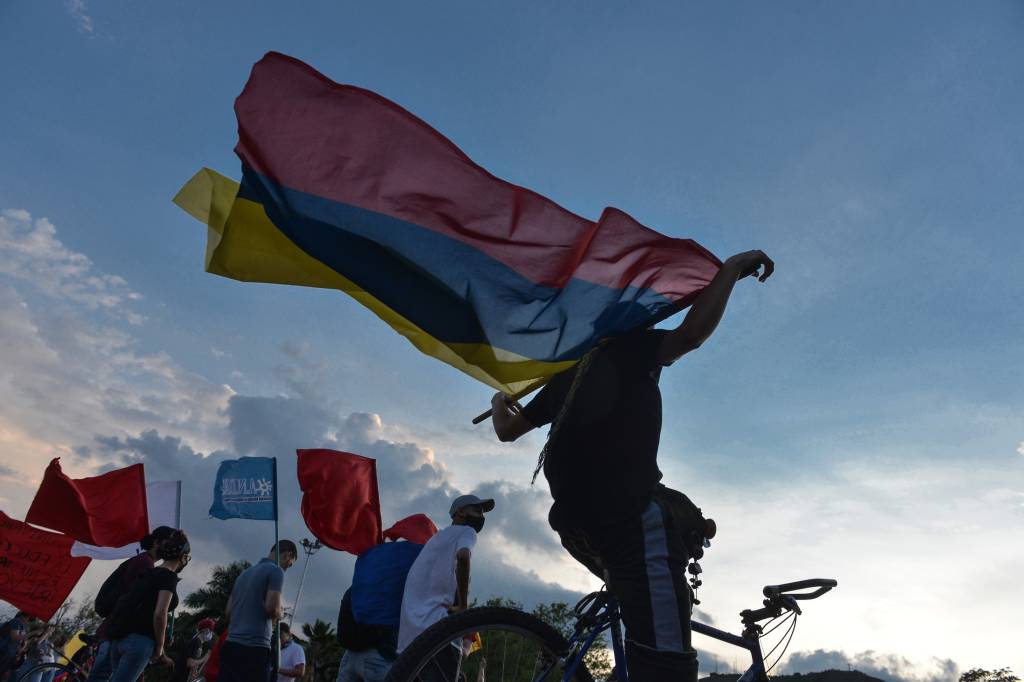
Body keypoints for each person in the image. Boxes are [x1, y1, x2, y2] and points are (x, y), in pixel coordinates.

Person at [489, 249, 775, 682]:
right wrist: (731, 270)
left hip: (576, 523)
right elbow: (691, 335)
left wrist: (497, 401)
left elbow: (507, 430)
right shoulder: (630, 347)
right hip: (627, 519)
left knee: (647, 612)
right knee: (668, 664)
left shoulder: (569, 372)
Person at [397, 495, 493, 682]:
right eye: (477, 510)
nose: (481, 516)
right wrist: (463, 605)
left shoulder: (435, 540)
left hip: (408, 639)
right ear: (460, 512)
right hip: (439, 633)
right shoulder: (466, 532)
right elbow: (464, 556)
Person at [336, 526, 436, 682]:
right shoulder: (399, 591)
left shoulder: (356, 588)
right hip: (379, 657)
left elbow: (343, 627)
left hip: (349, 657)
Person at [86, 526, 177, 682]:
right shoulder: (145, 564)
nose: (170, 548)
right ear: (157, 542)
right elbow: (132, 602)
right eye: (167, 543)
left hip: (115, 631)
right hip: (115, 631)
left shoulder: (145, 562)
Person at [105, 529, 192, 682]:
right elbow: (160, 614)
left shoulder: (148, 573)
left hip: (119, 639)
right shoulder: (169, 577)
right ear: (183, 557)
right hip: (140, 642)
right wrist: (159, 647)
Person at [216, 540, 298, 682]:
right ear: (287, 555)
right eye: (289, 565)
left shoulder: (243, 574)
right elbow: (272, 608)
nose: (286, 568)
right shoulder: (276, 571)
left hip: (230, 646)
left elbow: (228, 611)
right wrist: (280, 613)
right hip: (254, 650)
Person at [172, 618, 216, 682]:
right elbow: (190, 663)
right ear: (206, 630)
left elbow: (192, 663)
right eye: (211, 631)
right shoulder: (196, 642)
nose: (213, 634)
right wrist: (204, 658)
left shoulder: (198, 643)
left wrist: (194, 672)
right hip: (179, 678)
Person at [0, 611, 31, 680]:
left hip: (10, 654)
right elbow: (14, 637)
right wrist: (32, 633)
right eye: (29, 617)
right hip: (4, 651)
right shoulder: (16, 621)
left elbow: (22, 642)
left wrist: (21, 648)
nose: (29, 619)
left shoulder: (24, 626)